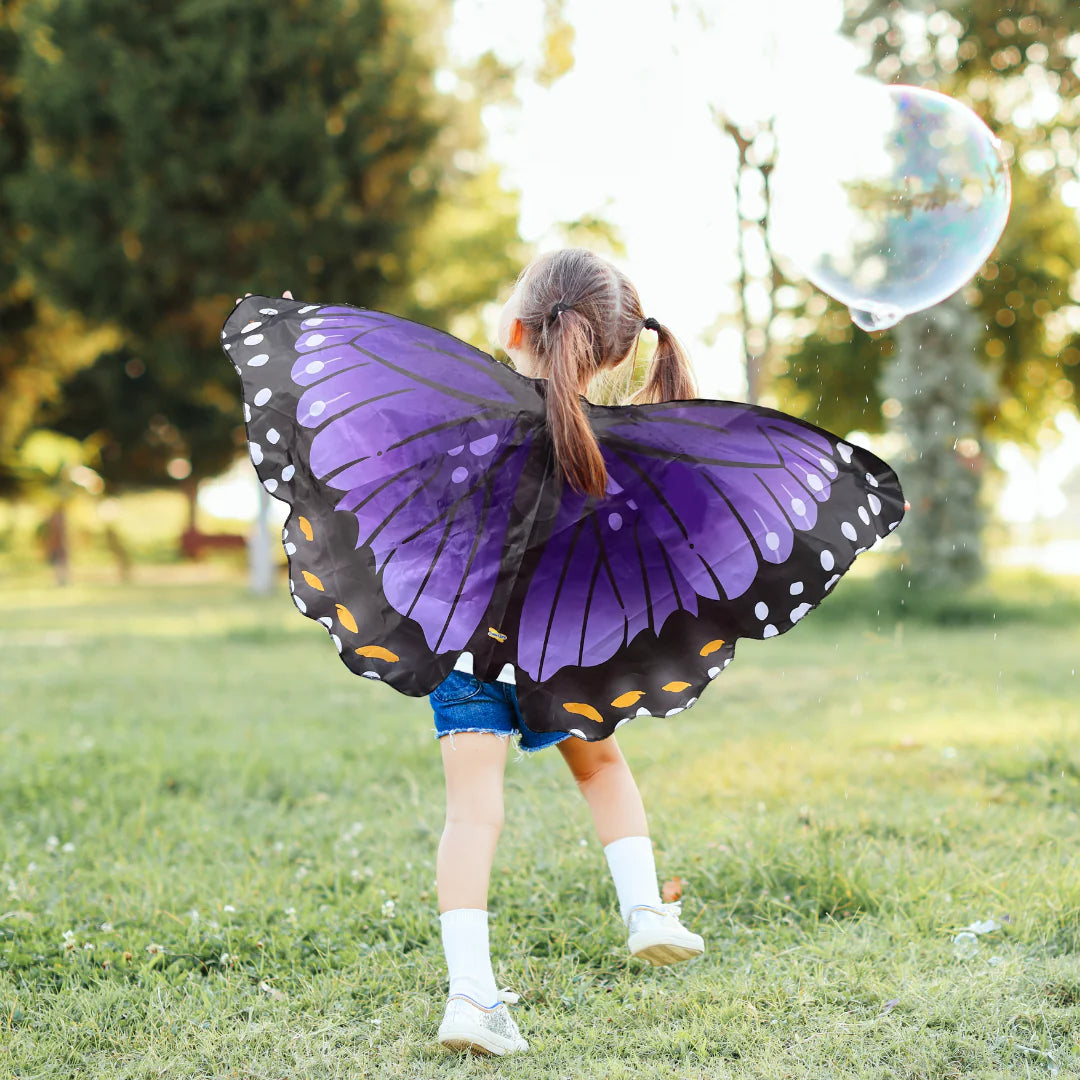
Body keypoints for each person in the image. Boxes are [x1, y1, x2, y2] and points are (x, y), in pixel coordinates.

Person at [431, 249, 705, 1057]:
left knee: (470, 816)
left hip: (468, 657)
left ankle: (471, 998)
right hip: (566, 655)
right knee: (605, 770)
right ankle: (645, 909)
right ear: (619, 354)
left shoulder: (470, 421)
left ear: (514, 329)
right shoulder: (620, 449)